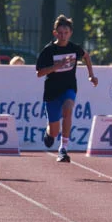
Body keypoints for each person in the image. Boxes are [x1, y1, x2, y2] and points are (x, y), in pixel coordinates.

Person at [35, 14, 97, 163]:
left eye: (66, 33)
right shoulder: (48, 50)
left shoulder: (74, 48)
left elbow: (86, 56)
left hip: (69, 88)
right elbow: (39, 73)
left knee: (68, 109)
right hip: (52, 92)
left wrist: (91, 75)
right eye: (60, 33)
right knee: (54, 132)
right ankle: (49, 132)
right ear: (55, 33)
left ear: (70, 33)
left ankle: (63, 149)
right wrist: (56, 66)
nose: (63, 36)